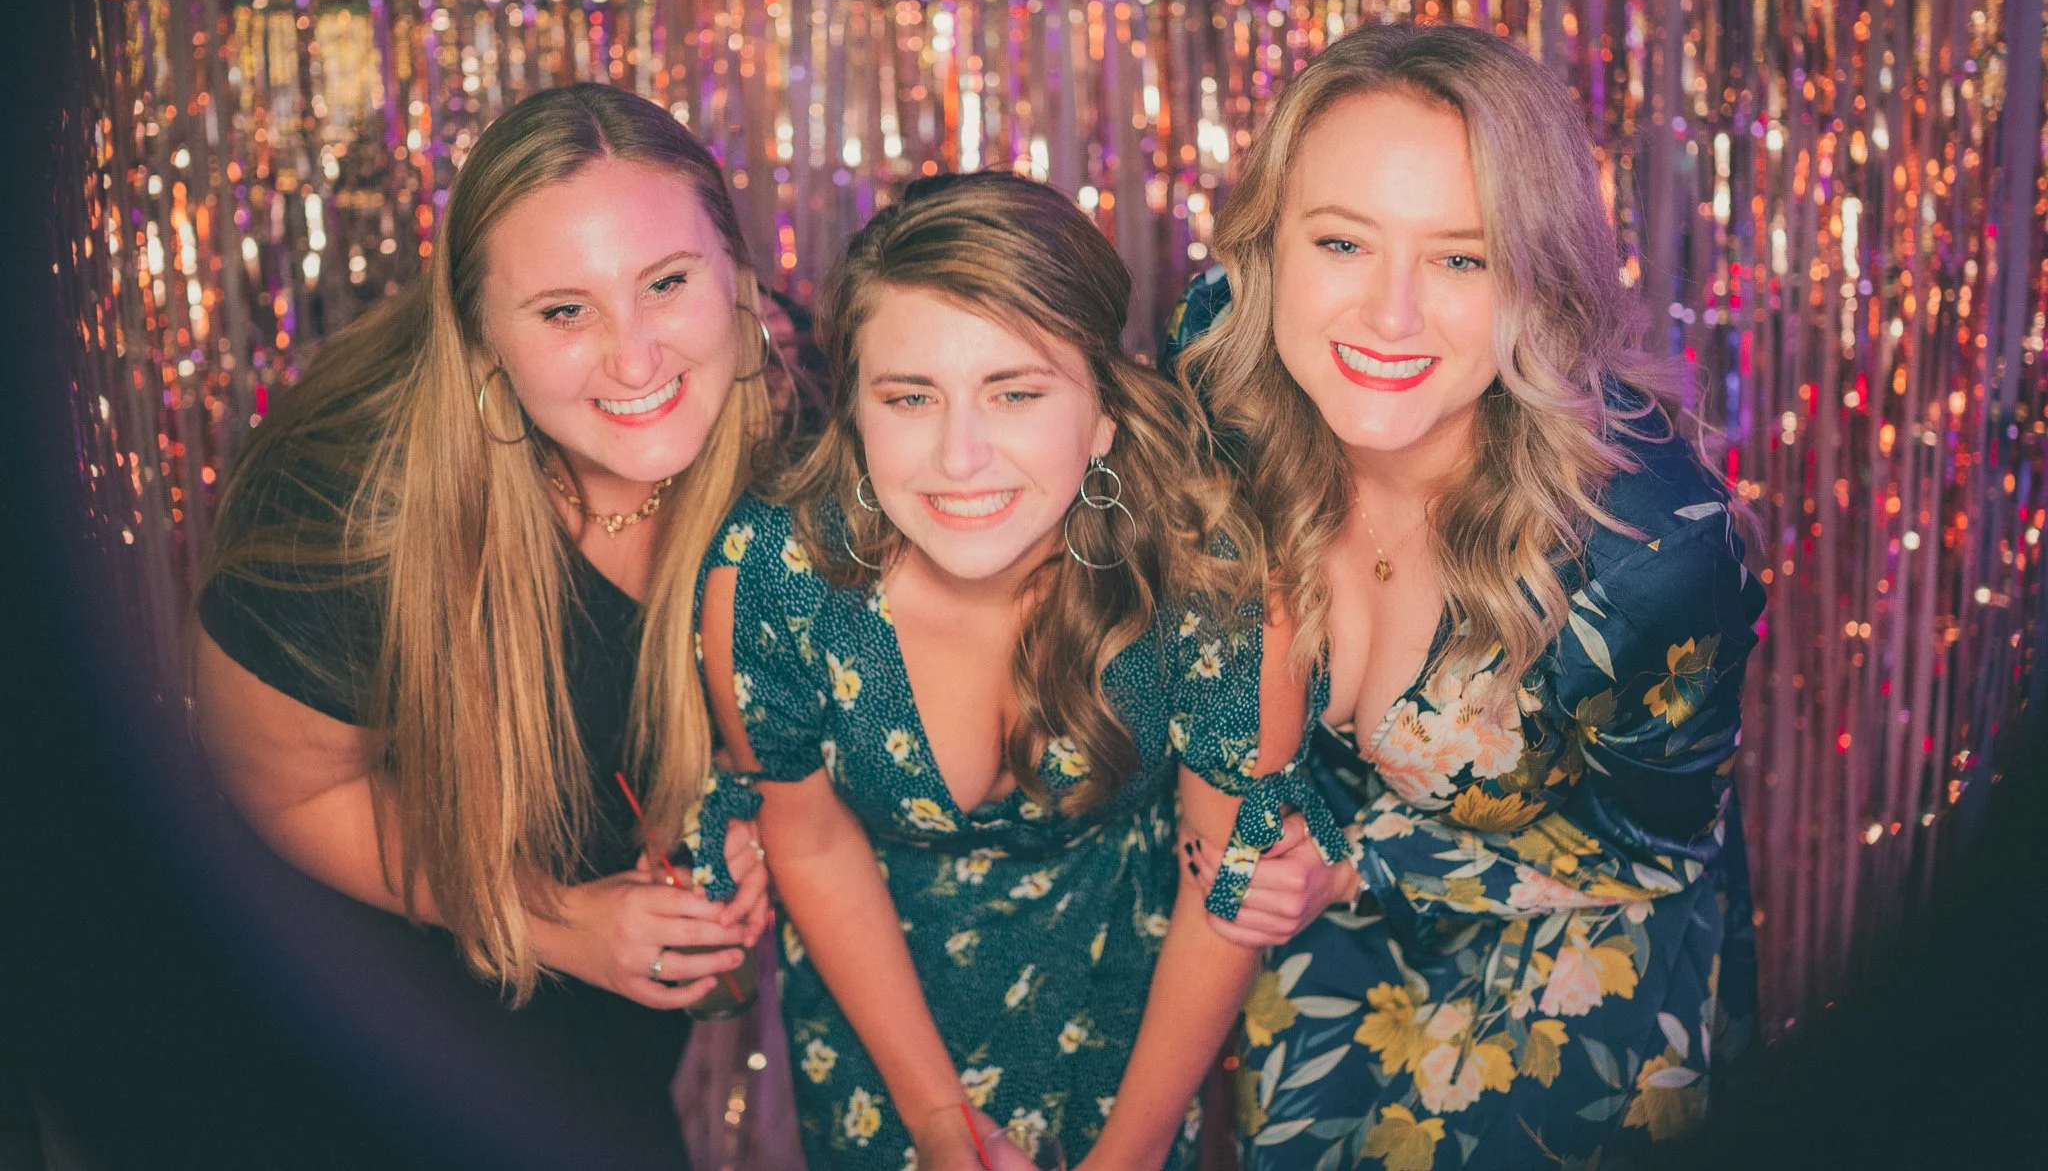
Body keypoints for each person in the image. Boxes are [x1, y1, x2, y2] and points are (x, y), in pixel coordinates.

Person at [1167, 22, 1765, 1170]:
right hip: (1322, 942)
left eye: (1460, 257)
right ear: (1266, 243)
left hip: (1569, 955)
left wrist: (1352, 860)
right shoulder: (1216, 363)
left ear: (1539, 279)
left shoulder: (1649, 556)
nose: (1388, 313)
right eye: (1341, 240)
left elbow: (1655, 842)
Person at [696, 172, 1345, 1170]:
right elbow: (811, 843)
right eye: (910, 396)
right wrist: (935, 1120)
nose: (960, 457)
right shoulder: (770, 574)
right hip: (879, 1039)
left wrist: (1126, 1156)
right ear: (856, 412)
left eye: (1015, 391)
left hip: (1132, 1030)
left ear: (1100, 413)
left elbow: (1228, 880)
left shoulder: (1213, 568)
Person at [192, 84, 774, 1153]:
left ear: (734, 273)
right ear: (481, 334)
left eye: (666, 283)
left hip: (601, 1062)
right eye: (564, 311)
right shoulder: (349, 505)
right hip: (358, 1049)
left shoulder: (798, 427)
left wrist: (753, 811)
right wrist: (557, 919)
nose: (636, 358)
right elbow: (284, 786)